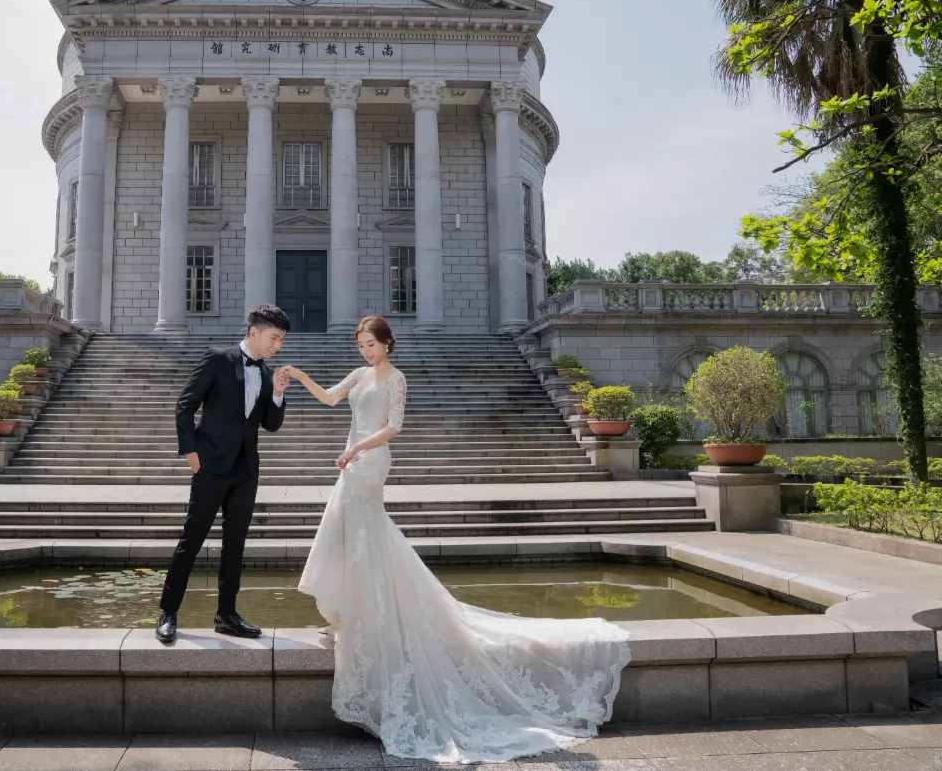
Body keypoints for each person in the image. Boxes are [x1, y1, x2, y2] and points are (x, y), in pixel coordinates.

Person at [279, 316, 630, 763]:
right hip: (353, 459)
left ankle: (365, 609)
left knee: (365, 532)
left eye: (372, 344)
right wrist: (300, 376)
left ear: (388, 343)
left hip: (369, 461)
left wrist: (356, 449)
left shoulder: (396, 378)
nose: (366, 351)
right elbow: (330, 399)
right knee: (353, 534)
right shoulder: (360, 375)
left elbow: (394, 427)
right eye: (362, 345)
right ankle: (353, 607)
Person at [156, 303, 292, 643]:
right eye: (274, 338)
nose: (278, 345)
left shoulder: (265, 373)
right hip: (211, 466)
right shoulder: (217, 359)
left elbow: (270, 426)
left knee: (236, 545)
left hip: (245, 470)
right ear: (254, 332)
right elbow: (185, 405)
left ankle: (226, 615)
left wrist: (276, 394)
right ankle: (168, 613)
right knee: (192, 541)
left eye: (281, 340)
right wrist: (191, 453)